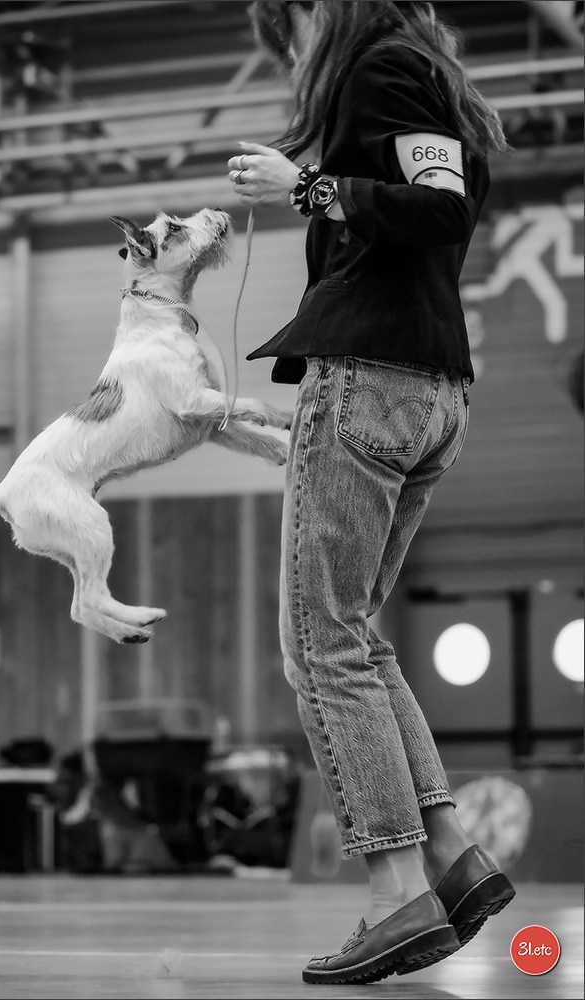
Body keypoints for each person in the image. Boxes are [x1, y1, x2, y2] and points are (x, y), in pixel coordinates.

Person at [226, 0, 515, 985]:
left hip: (370, 376)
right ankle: (446, 856)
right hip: (430, 389)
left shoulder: (377, 69)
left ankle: (395, 890)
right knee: (351, 634)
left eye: (293, 30)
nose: (295, 55)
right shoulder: (425, 74)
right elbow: (437, 203)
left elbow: (435, 211)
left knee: (316, 645)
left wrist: (302, 186)